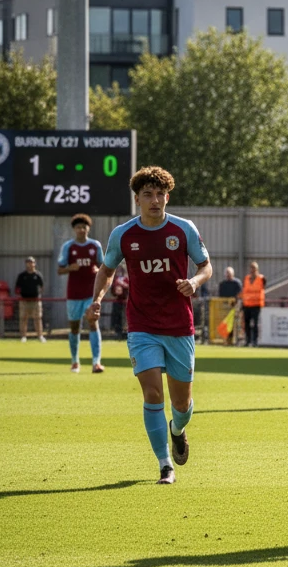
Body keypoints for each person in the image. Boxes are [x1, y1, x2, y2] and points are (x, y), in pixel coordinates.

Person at [89, 165, 212, 485]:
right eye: (148, 195)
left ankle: (178, 429)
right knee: (152, 394)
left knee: (181, 403)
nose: (155, 200)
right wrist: (97, 298)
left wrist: (195, 282)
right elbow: (106, 270)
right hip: (141, 324)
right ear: (137, 200)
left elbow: (206, 265)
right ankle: (164, 465)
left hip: (179, 325)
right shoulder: (123, 234)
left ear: (167, 197)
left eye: (160, 195)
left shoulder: (183, 229)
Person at [57, 214, 105, 374]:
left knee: (93, 323)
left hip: (91, 293)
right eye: (78, 227)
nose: (81, 230)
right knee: (75, 328)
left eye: (84, 227)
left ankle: (96, 362)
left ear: (88, 228)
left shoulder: (95, 245)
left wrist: (97, 270)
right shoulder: (68, 247)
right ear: (74, 229)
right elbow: (60, 269)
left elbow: (104, 267)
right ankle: (75, 361)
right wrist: (70, 268)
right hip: (74, 293)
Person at [14, 257, 46, 343]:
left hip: (35, 300)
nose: (30, 264)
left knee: (38, 319)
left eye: (31, 262)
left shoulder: (38, 275)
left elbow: (42, 287)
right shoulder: (21, 276)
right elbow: (17, 287)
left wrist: (38, 295)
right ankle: (23, 336)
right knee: (23, 318)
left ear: (34, 263)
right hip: (24, 300)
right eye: (28, 262)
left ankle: (40, 336)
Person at [240, 261, 266, 348]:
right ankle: (247, 340)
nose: (252, 270)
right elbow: (244, 291)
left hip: (256, 305)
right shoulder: (246, 279)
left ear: (257, 269)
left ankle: (255, 341)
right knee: (246, 324)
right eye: (251, 268)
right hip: (247, 304)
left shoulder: (261, 279)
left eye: (254, 268)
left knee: (255, 324)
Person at [217, 267, 242, 345]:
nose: (228, 275)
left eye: (229, 273)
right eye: (227, 273)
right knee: (225, 324)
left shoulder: (237, 283)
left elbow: (239, 295)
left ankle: (234, 340)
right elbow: (220, 296)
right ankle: (225, 339)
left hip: (234, 307)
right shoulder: (222, 284)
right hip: (225, 307)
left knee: (234, 325)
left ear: (233, 274)